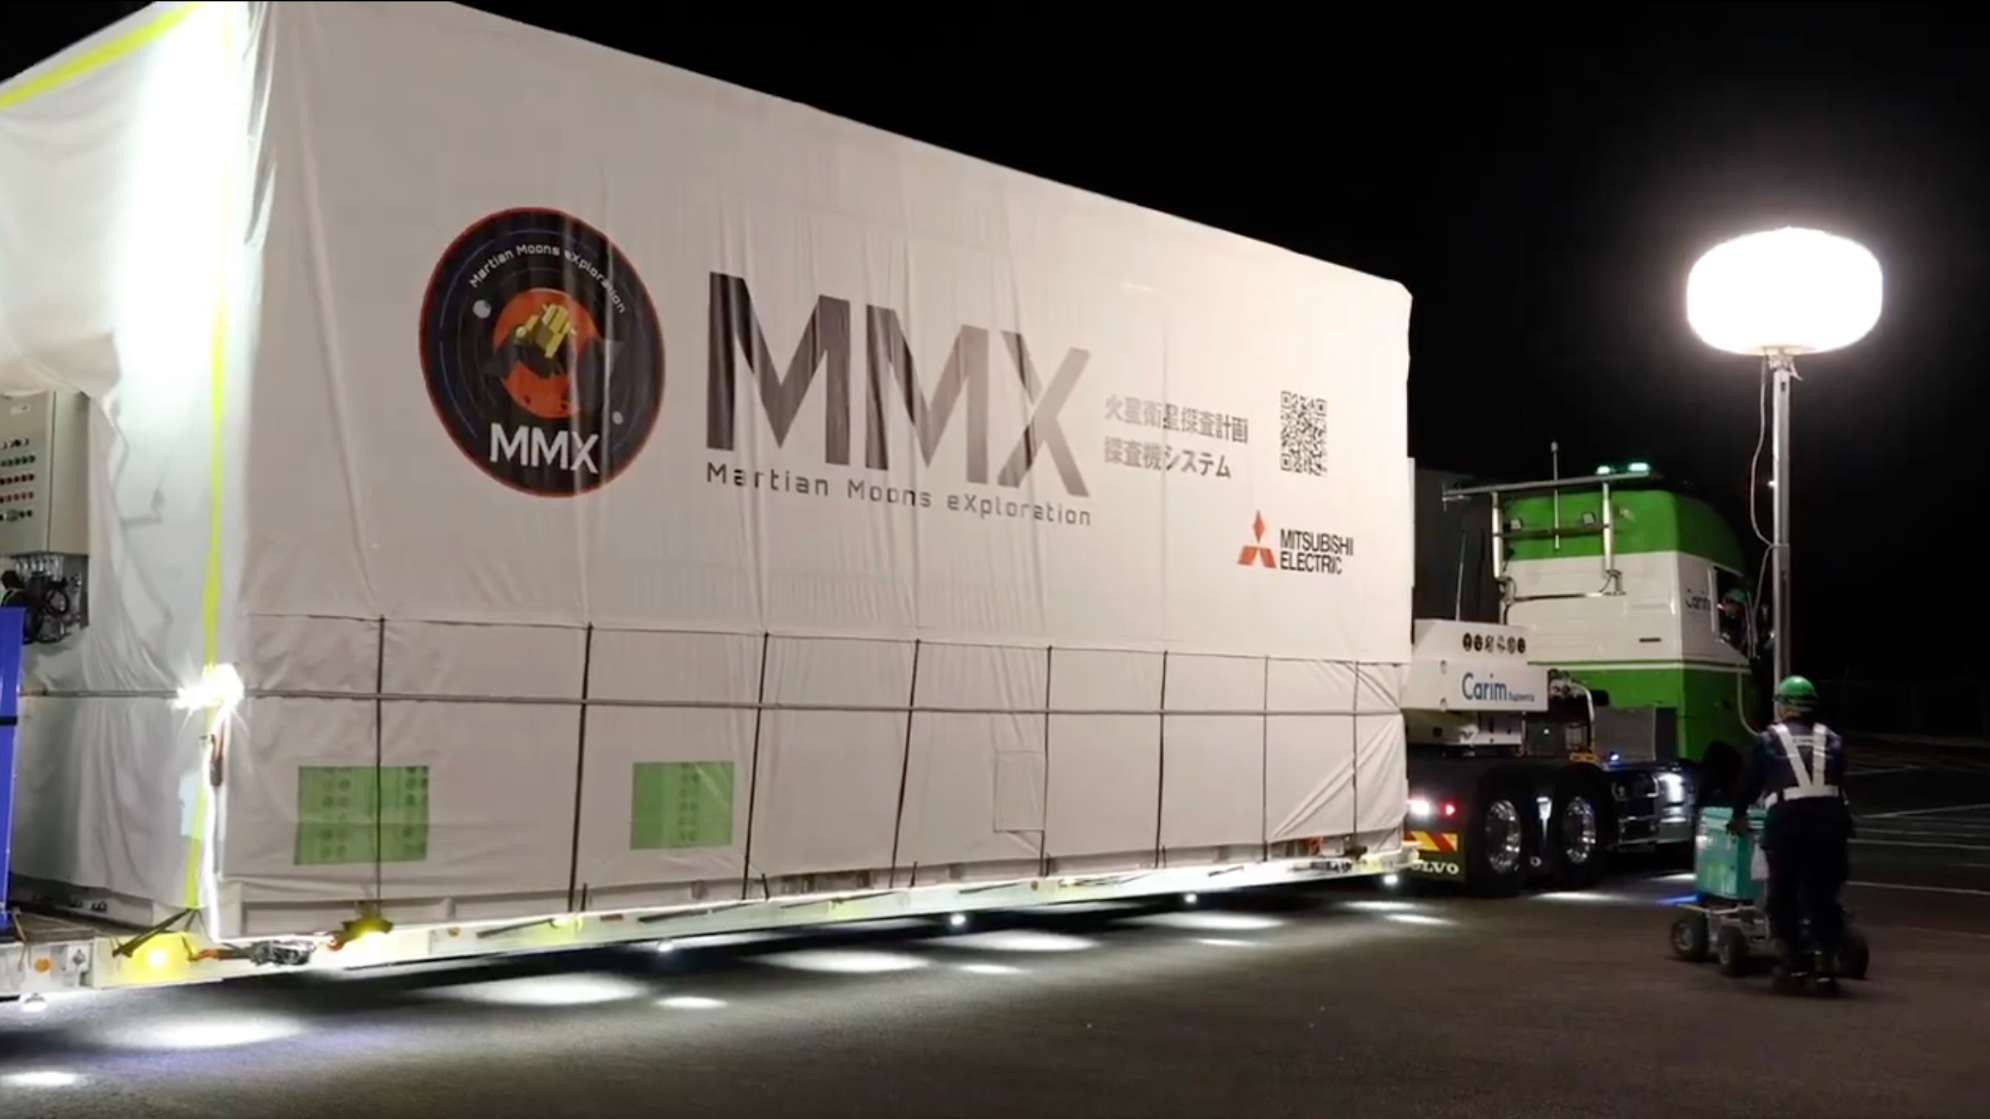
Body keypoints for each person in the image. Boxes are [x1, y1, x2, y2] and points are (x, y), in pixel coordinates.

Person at [1727, 675, 1853, 992]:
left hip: (1788, 822)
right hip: (1830, 822)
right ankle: (1825, 966)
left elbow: (1749, 782)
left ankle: (1794, 963)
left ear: (1784, 706)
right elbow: (1838, 782)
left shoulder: (1769, 739)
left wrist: (1738, 814)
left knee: (1782, 894)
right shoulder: (1833, 739)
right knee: (1823, 894)